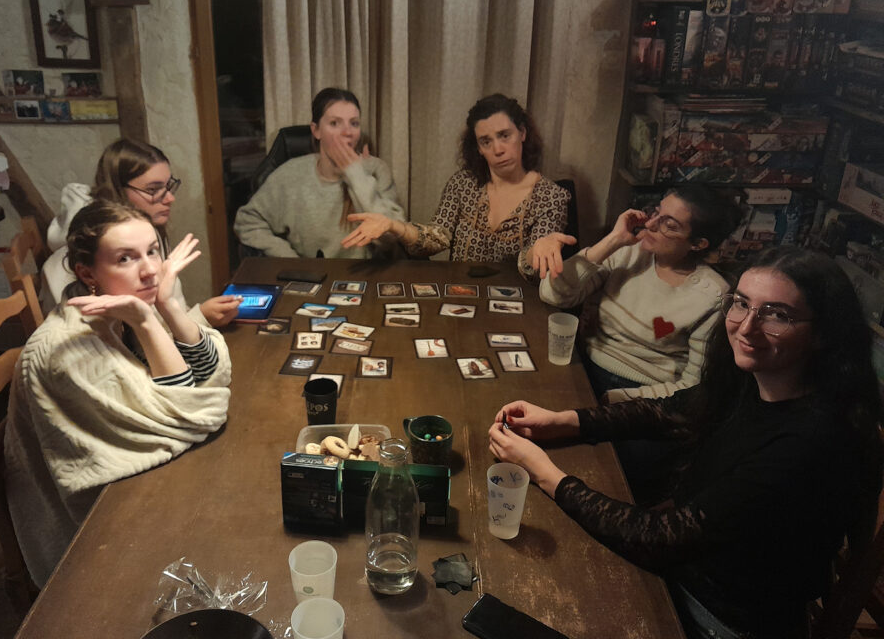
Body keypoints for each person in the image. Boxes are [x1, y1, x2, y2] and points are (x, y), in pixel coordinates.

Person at [488, 246, 882, 639]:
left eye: (777, 314)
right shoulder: (757, 377)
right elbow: (669, 411)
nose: (746, 327)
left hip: (716, 616)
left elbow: (660, 539)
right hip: (683, 569)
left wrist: (544, 472)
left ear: (823, 333)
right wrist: (563, 421)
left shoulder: (809, 442)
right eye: (742, 303)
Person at [5, 201, 232, 587]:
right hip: (95, 525)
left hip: (150, 482)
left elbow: (208, 375)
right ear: (86, 273)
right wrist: (147, 322)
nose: (150, 270)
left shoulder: (125, 307)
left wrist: (168, 305)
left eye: (153, 251)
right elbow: (190, 415)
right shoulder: (64, 349)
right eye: (125, 258)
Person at [535, 185, 740, 403]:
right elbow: (553, 295)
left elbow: (694, 385)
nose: (650, 225)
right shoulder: (628, 252)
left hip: (648, 394)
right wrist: (612, 240)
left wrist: (623, 399)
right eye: (656, 212)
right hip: (586, 366)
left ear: (698, 244)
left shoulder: (712, 296)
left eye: (669, 225)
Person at [340, 93, 571, 280]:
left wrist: (538, 250)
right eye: (486, 141)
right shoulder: (463, 183)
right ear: (478, 148)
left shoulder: (552, 196)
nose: (498, 149)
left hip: (516, 304)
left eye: (504, 136)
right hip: (461, 299)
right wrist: (393, 225)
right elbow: (437, 238)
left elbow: (534, 269)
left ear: (522, 133)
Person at [42, 138, 241, 326]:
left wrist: (198, 315)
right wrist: (199, 317)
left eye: (168, 186)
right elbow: (129, 340)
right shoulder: (72, 262)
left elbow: (162, 313)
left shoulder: (146, 233)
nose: (169, 198)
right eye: (153, 190)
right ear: (117, 190)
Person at [233, 87, 405, 258]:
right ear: (316, 130)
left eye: (354, 123)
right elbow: (247, 221)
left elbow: (391, 238)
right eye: (334, 123)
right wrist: (287, 258)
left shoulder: (376, 169)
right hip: (309, 272)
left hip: (363, 272)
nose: (347, 132)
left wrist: (356, 174)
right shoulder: (291, 173)